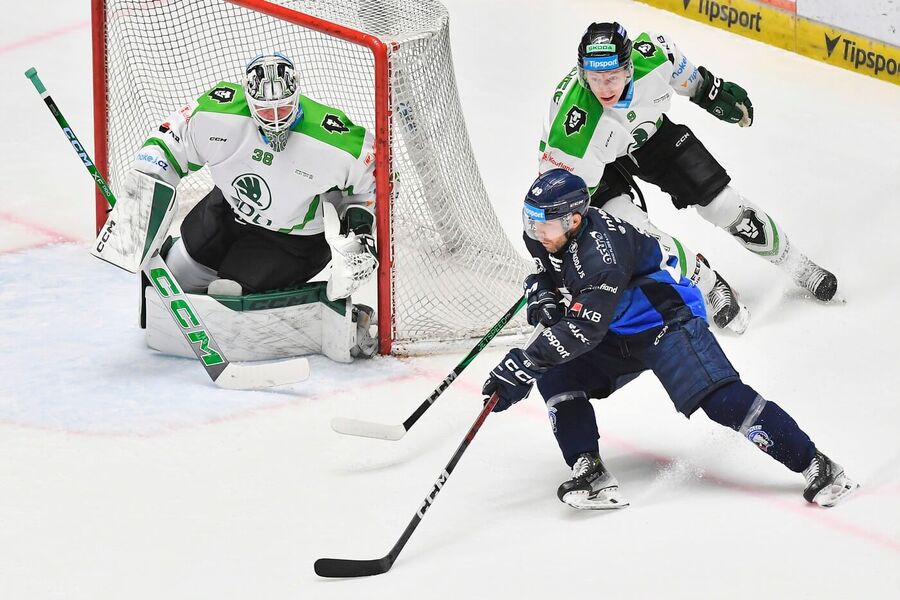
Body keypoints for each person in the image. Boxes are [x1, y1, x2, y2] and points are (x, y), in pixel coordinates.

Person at [481, 169, 857, 510]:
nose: (534, 231)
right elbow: (550, 271)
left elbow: (583, 329)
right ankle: (591, 473)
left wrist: (526, 363)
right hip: (616, 328)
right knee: (557, 375)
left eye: (542, 224)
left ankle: (815, 463)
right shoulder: (549, 236)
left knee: (721, 399)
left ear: (574, 219)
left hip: (666, 322)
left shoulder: (602, 255)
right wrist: (540, 288)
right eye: (530, 221)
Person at [538, 22, 839, 331]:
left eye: (612, 77)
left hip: (651, 136)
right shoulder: (571, 131)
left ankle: (800, 266)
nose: (604, 88)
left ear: (629, 68)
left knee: (724, 205)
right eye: (595, 78)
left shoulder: (655, 55)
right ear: (582, 73)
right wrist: (556, 261)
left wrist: (713, 93)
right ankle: (710, 285)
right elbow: (554, 206)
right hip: (593, 172)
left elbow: (697, 85)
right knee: (642, 236)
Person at [100, 52, 379, 359]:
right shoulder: (218, 115)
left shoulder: (333, 140)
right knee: (170, 276)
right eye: (264, 109)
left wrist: (360, 239)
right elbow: (170, 140)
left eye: (284, 107)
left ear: (297, 95)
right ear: (248, 100)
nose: (275, 119)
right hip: (225, 213)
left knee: (228, 297)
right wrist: (142, 191)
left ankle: (341, 321)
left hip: (292, 241)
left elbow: (372, 180)